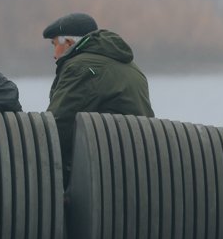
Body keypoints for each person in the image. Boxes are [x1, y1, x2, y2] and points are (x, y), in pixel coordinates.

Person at [44, 12, 154, 175]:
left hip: (109, 172)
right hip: (145, 164)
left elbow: (59, 125)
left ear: (67, 42)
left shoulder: (81, 67)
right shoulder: (132, 67)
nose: (54, 54)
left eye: (54, 44)